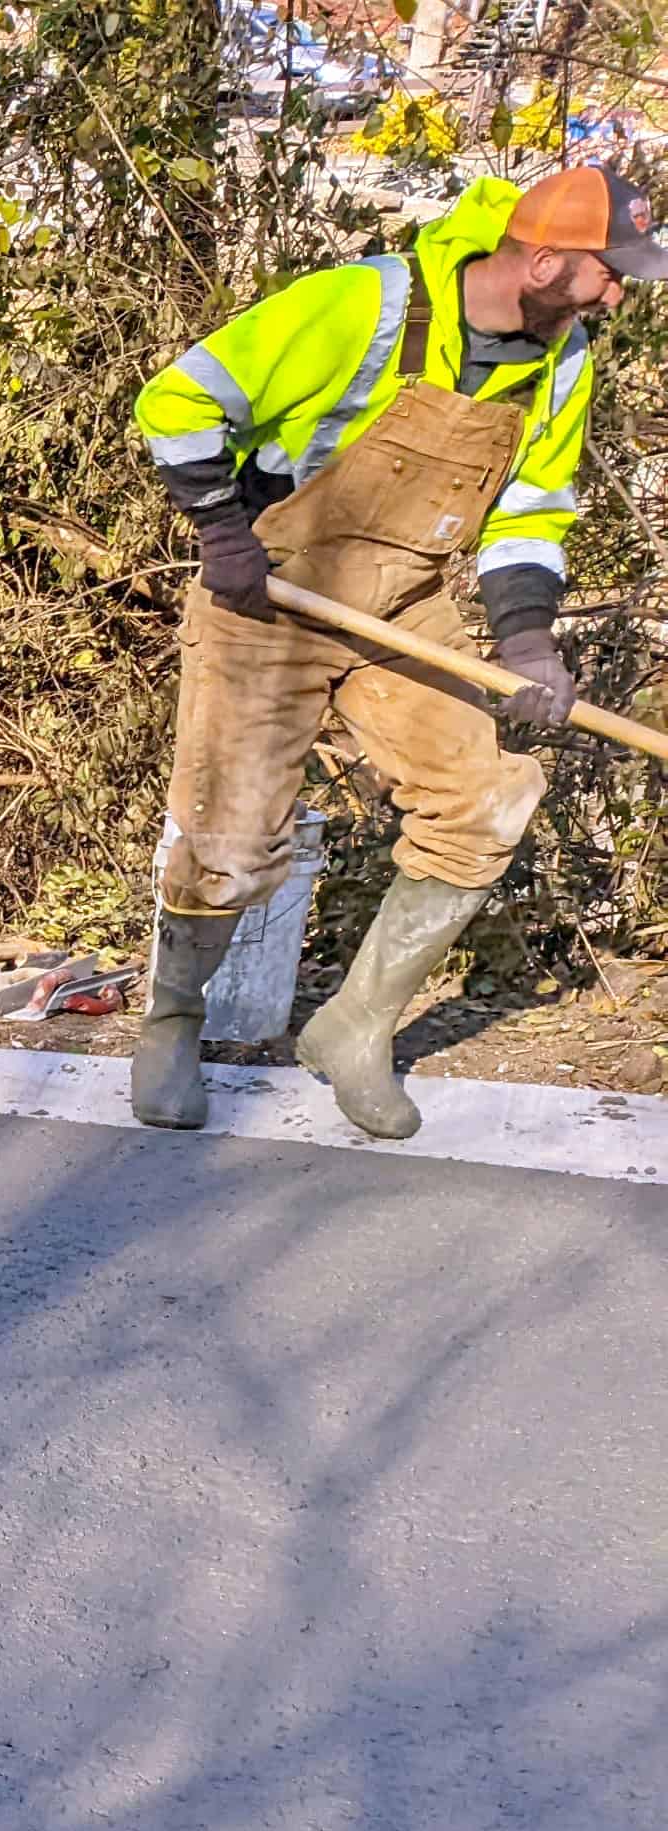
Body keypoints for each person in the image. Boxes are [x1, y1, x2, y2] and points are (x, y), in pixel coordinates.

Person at [130, 163, 658, 1139]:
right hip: (269, 600)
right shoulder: (367, 306)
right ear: (543, 261)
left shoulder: (565, 356)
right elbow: (180, 399)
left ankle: (355, 1027)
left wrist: (530, 646)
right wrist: (224, 533)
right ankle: (171, 1023)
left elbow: (531, 516)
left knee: (488, 800)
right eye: (609, 273)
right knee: (231, 839)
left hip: (401, 606)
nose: (621, 292)